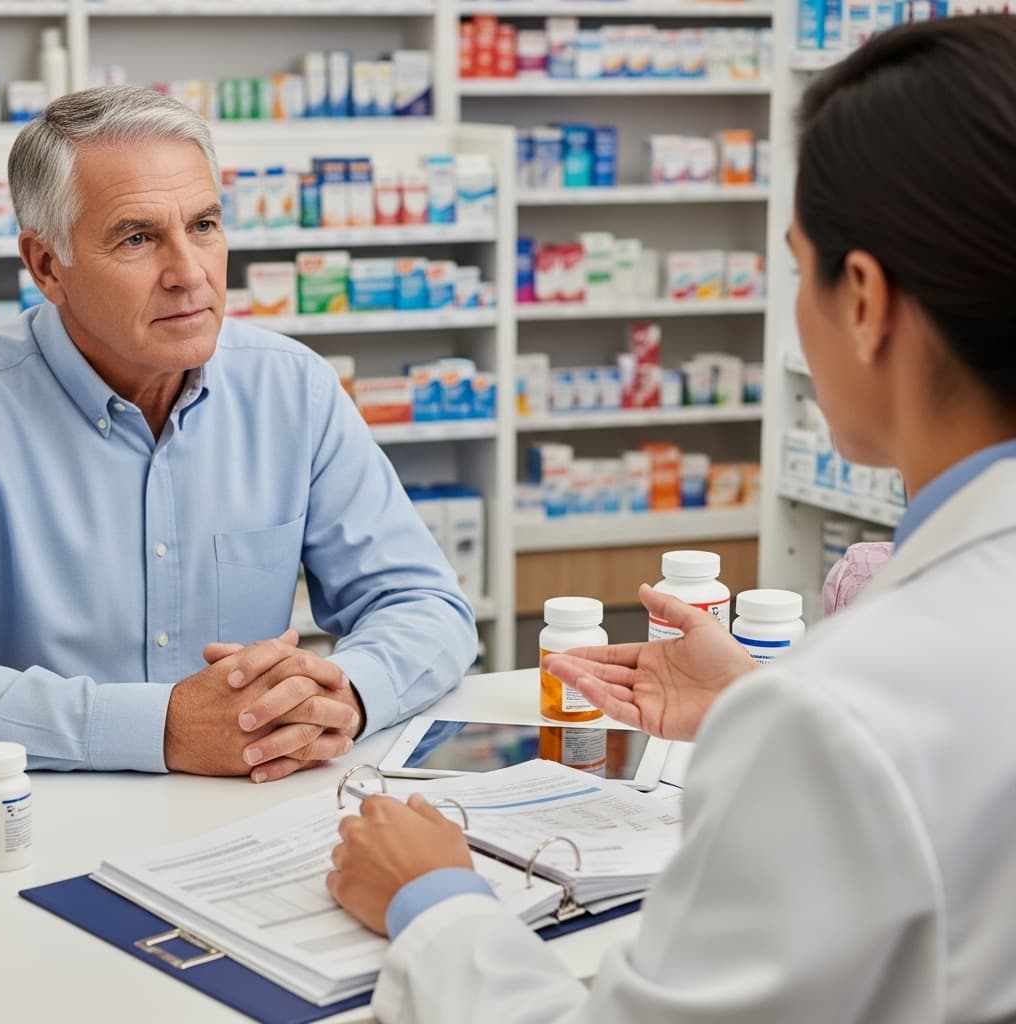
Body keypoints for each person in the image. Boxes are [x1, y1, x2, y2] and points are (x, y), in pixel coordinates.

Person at [328, 16, 1016, 1022]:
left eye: (793, 268)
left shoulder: (843, 711)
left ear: (862, 299)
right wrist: (759, 702)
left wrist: (431, 898)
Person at [0, 86, 476, 783]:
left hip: (253, 808)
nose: (189, 274)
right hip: (38, 820)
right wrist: (158, 730)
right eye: (137, 238)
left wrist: (344, 695)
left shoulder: (291, 389)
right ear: (46, 267)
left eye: (205, 225)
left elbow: (426, 603)